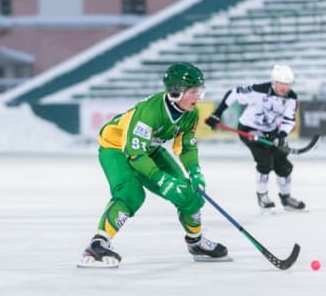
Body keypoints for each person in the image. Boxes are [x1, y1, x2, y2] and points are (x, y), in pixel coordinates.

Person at [78, 62, 229, 268]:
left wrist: (195, 171)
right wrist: (161, 178)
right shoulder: (149, 112)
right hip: (116, 147)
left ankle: (196, 242)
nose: (198, 97)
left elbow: (185, 146)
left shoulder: (191, 114)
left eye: (200, 91)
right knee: (131, 193)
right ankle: (98, 243)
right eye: (193, 91)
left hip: (149, 148)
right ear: (177, 92)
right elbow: (135, 153)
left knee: (189, 193)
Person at [205, 64, 306, 212]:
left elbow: (289, 120)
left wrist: (282, 135)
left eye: (288, 84)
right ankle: (262, 196)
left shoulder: (291, 98)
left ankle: (286, 198)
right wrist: (217, 113)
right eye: (281, 83)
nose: (284, 88)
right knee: (265, 161)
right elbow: (233, 93)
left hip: (271, 131)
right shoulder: (258, 91)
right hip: (249, 128)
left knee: (282, 163)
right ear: (273, 81)